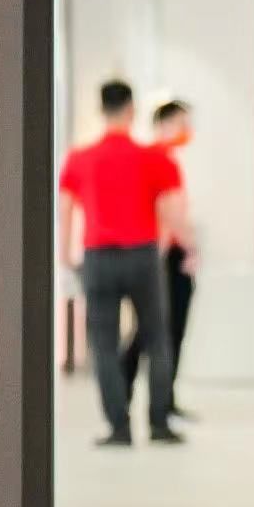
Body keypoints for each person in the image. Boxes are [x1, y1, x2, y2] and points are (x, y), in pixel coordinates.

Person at [57, 77, 186, 447]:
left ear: (102, 109)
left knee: (104, 345)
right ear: (131, 110)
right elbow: (170, 210)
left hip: (98, 257)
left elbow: (65, 209)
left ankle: (119, 427)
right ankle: (159, 424)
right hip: (142, 254)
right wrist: (175, 247)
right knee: (157, 338)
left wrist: (65, 254)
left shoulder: (80, 158)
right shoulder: (151, 158)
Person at [124, 98, 198, 419]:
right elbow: (168, 213)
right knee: (156, 330)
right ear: (163, 124)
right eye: (182, 122)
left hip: (161, 252)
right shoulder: (158, 160)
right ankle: (143, 396)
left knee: (161, 329)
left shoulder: (163, 159)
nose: (187, 130)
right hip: (162, 254)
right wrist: (188, 248)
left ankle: (162, 399)